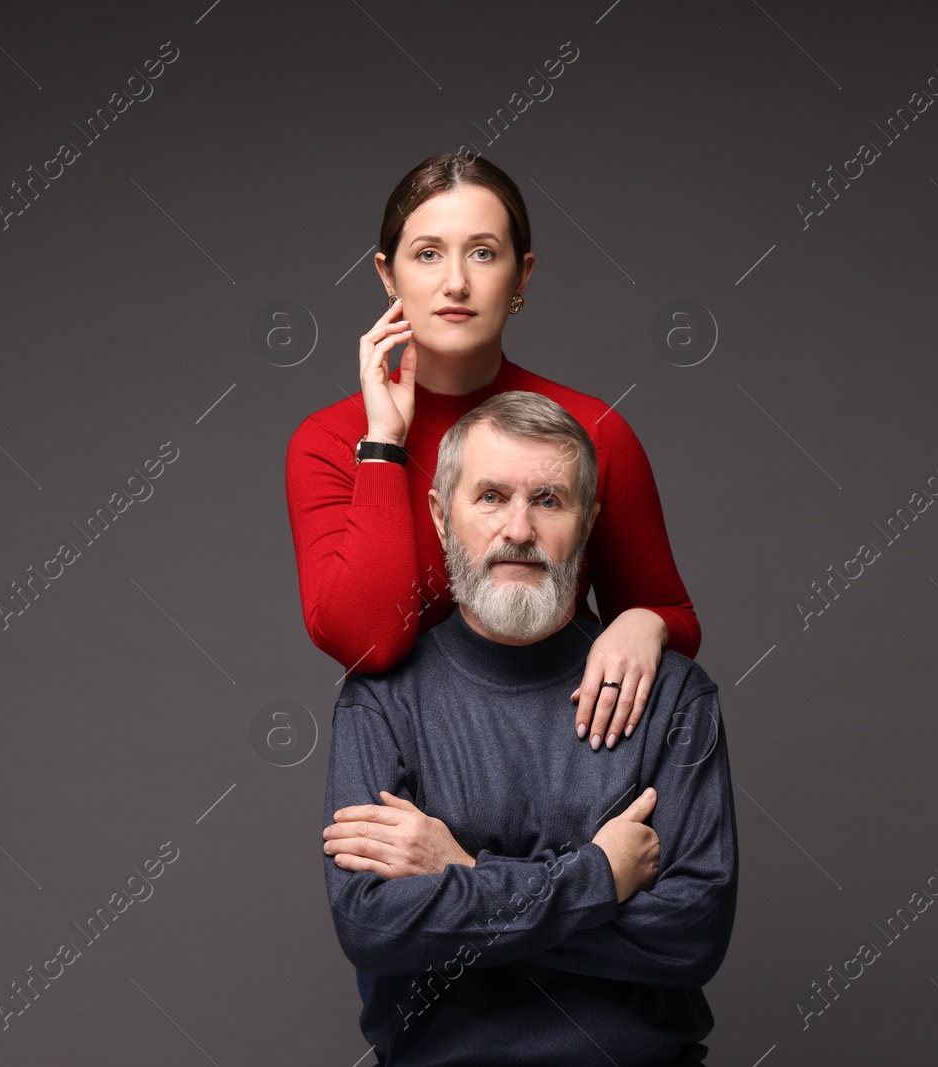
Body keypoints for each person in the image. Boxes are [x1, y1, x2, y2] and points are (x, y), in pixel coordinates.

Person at [320, 391, 737, 1066]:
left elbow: (690, 936)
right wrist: (600, 877)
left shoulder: (674, 698)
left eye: (548, 499)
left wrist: (460, 871)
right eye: (490, 496)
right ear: (440, 514)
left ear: (588, 519)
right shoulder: (382, 701)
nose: (518, 528)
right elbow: (372, 925)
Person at [286, 151, 700, 751]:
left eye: (483, 252)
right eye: (428, 254)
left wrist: (644, 622)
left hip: (571, 756)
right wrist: (382, 446)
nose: (456, 282)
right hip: (410, 765)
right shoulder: (327, 441)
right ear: (387, 274)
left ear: (522, 276)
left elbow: (675, 619)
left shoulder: (592, 429)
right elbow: (368, 642)